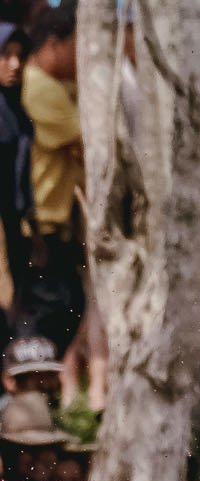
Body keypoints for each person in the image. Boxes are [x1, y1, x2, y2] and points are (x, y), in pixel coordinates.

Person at [17, 8, 81, 358]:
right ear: (54, 45)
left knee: (64, 306)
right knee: (47, 313)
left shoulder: (51, 86)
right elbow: (86, 146)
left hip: (53, 225)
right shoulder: (40, 87)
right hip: (41, 226)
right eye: (76, 46)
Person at [0, 23, 32, 337]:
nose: (15, 64)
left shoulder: (15, 108)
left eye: (20, 56)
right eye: (5, 55)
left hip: (15, 224)